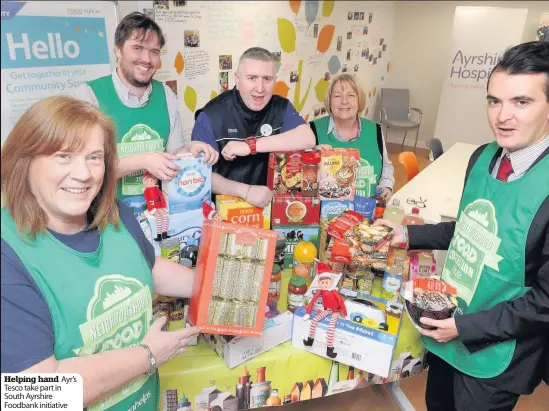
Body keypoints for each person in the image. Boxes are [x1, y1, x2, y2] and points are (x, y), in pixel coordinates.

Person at [376, 41, 549, 411]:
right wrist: (407, 234)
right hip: (447, 325)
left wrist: (466, 327)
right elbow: (470, 230)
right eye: (494, 101)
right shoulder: (481, 157)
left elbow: (545, 302)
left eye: (522, 102)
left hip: (496, 356)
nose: (503, 116)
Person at [0, 96, 200, 411]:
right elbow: (36, 395)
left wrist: (211, 284)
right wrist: (147, 355)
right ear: (24, 161)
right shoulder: (8, 255)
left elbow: (146, 266)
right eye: (63, 156)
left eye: (94, 157)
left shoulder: (112, 212)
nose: (83, 174)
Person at [72, 12, 218, 206]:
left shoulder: (166, 94)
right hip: (105, 215)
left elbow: (171, 154)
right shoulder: (89, 95)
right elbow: (83, 168)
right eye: (137, 48)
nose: (147, 59)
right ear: (118, 50)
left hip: (157, 211)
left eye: (154, 51)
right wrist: (143, 161)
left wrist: (188, 150)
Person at [191, 47, 316, 208]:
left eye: (267, 79)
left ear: (275, 80)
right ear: (237, 79)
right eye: (252, 78)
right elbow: (199, 173)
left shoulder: (281, 107)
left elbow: (307, 138)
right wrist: (246, 191)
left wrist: (250, 146)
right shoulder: (211, 115)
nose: (260, 88)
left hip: (269, 208)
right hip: (225, 212)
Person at [310, 73, 395, 200]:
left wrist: (387, 185)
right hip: (325, 214)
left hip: (368, 212)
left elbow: (386, 165)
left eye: (351, 95)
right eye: (337, 96)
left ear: (359, 100)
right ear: (329, 101)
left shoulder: (375, 130)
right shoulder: (312, 130)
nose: (344, 101)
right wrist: (310, 156)